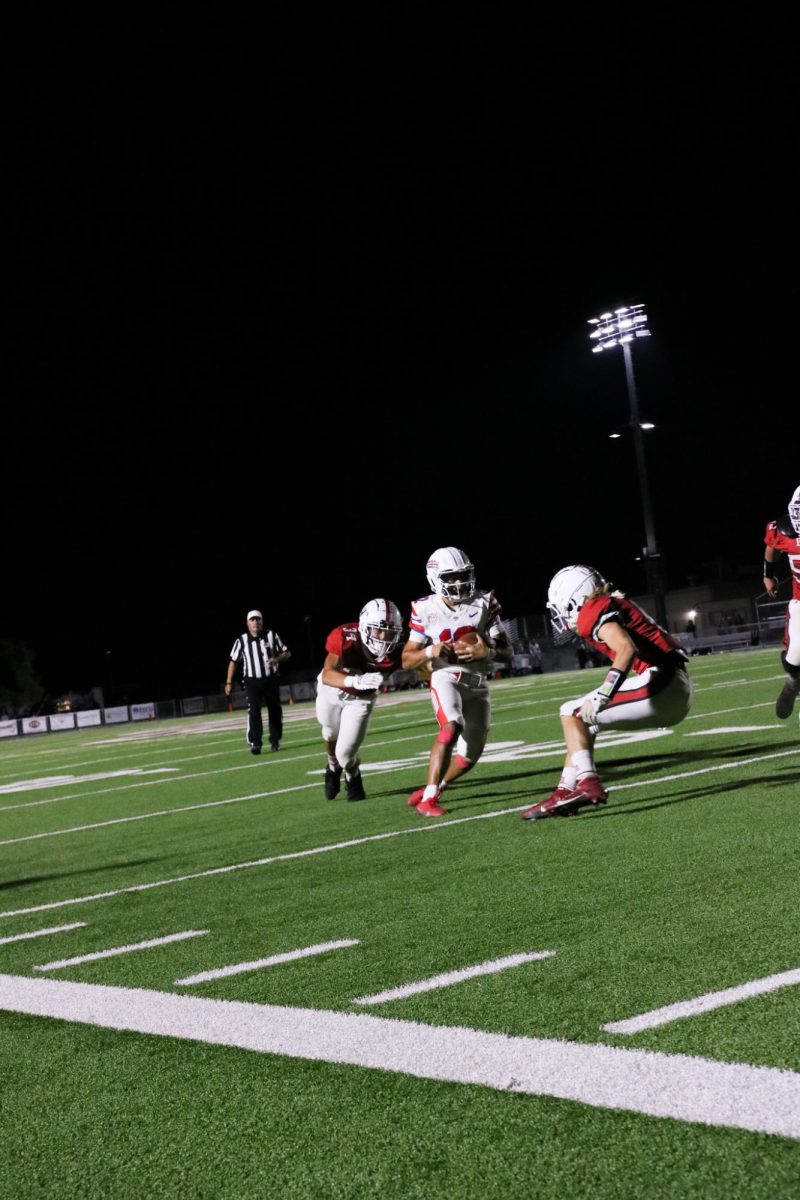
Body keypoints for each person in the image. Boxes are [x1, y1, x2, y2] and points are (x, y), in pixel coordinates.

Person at [521, 565, 693, 821]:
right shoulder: (608, 603)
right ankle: (564, 791)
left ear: (573, 599)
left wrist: (604, 694)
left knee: (571, 713)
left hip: (662, 683)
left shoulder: (592, 609)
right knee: (583, 724)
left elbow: (626, 648)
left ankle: (588, 782)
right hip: (675, 687)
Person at [401, 546, 512, 817]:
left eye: (463, 575)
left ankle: (435, 787)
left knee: (469, 757)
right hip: (445, 675)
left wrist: (489, 651)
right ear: (435, 579)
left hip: (477, 681)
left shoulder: (485, 601)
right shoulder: (425, 608)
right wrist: (431, 650)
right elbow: (406, 659)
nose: (459, 583)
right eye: (451, 577)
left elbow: (508, 653)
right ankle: (428, 799)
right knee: (451, 727)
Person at [315, 598, 405, 801]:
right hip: (332, 690)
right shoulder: (345, 636)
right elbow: (328, 674)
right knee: (329, 732)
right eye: (378, 631)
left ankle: (352, 774)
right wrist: (355, 680)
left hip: (361, 701)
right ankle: (331, 767)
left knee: (346, 756)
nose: (383, 638)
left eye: (390, 632)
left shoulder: (400, 648)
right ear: (364, 627)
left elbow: (423, 664)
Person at [225, 610, 291, 754]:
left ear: (262, 621)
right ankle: (255, 742)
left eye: (258, 619)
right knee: (254, 711)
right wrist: (228, 682)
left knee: (274, 710)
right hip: (251, 681)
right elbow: (234, 662)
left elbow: (286, 652)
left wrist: (277, 659)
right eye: (252, 620)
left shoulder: (271, 635)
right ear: (248, 623)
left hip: (270, 679)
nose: (256, 622)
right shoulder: (241, 640)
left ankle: (275, 741)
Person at [763, 485, 800, 719]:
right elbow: (772, 547)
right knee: (793, 662)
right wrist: (767, 574)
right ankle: (793, 683)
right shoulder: (783, 531)